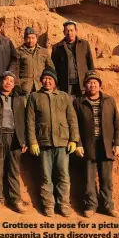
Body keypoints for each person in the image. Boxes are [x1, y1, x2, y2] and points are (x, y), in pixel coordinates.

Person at [26, 69, 79, 217]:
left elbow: (72, 119)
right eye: (45, 79)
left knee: (63, 175)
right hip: (43, 142)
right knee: (45, 176)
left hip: (62, 142)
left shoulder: (64, 96)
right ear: (41, 81)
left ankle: (63, 205)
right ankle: (49, 205)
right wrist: (33, 142)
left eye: (50, 79)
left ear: (55, 81)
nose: (47, 81)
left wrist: (74, 139)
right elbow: (30, 121)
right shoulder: (34, 97)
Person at [74, 70, 119, 218]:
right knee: (89, 177)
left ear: (100, 85)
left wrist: (118, 143)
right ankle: (91, 206)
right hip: (89, 144)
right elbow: (74, 125)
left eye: (95, 82)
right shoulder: (79, 102)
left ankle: (108, 206)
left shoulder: (109, 100)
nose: (92, 85)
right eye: (89, 82)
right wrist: (78, 143)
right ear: (85, 86)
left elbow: (117, 122)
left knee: (106, 178)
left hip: (106, 144)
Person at [0, 71, 28, 214]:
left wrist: (24, 140)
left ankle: (15, 200)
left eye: (11, 81)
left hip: (15, 138)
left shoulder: (19, 99)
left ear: (14, 85)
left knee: (13, 171)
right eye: (6, 80)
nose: (8, 82)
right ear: (1, 81)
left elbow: (24, 121)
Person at [51, 20, 95, 97]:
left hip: (82, 82)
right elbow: (54, 67)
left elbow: (90, 63)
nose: (69, 33)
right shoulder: (57, 47)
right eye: (67, 31)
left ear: (76, 31)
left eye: (71, 30)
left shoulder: (84, 44)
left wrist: (92, 79)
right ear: (63, 32)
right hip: (65, 83)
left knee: (82, 105)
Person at [18, 27, 55, 96]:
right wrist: (17, 84)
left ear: (36, 38)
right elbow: (15, 70)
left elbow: (51, 68)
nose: (30, 40)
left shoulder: (44, 52)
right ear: (24, 39)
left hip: (40, 87)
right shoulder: (18, 52)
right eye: (28, 38)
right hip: (24, 88)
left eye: (33, 38)